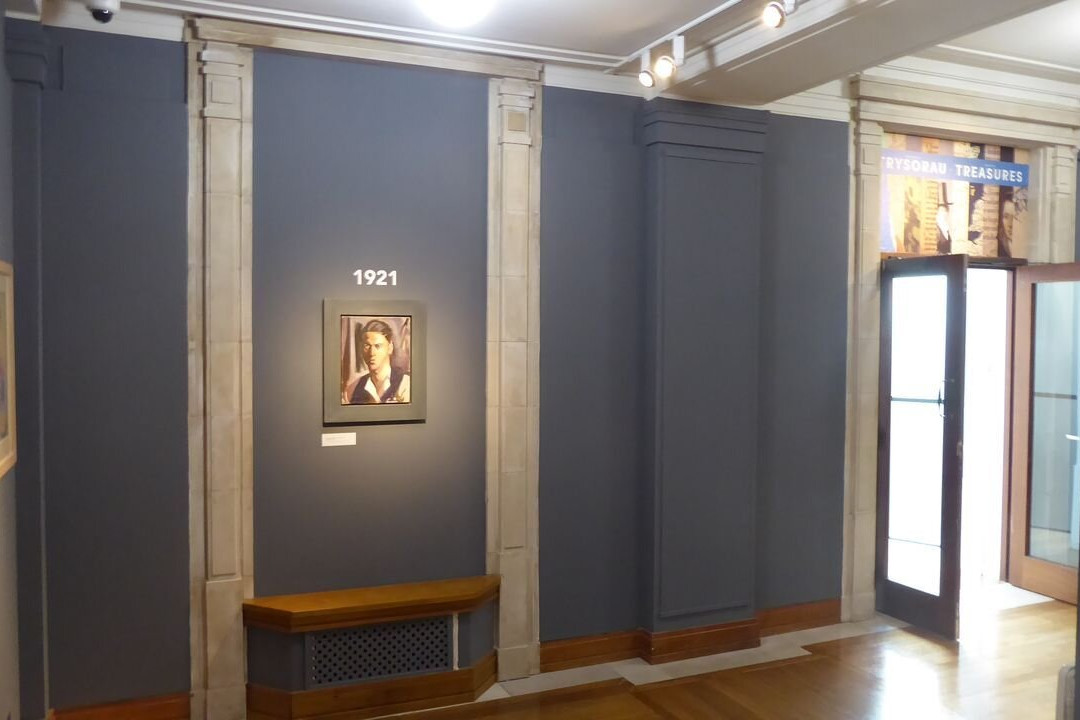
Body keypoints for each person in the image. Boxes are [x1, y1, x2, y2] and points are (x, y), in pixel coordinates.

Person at [347, 319, 411, 404]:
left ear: (390, 348)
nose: (371, 353)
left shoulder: (405, 384)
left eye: (378, 346)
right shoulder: (354, 388)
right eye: (367, 346)